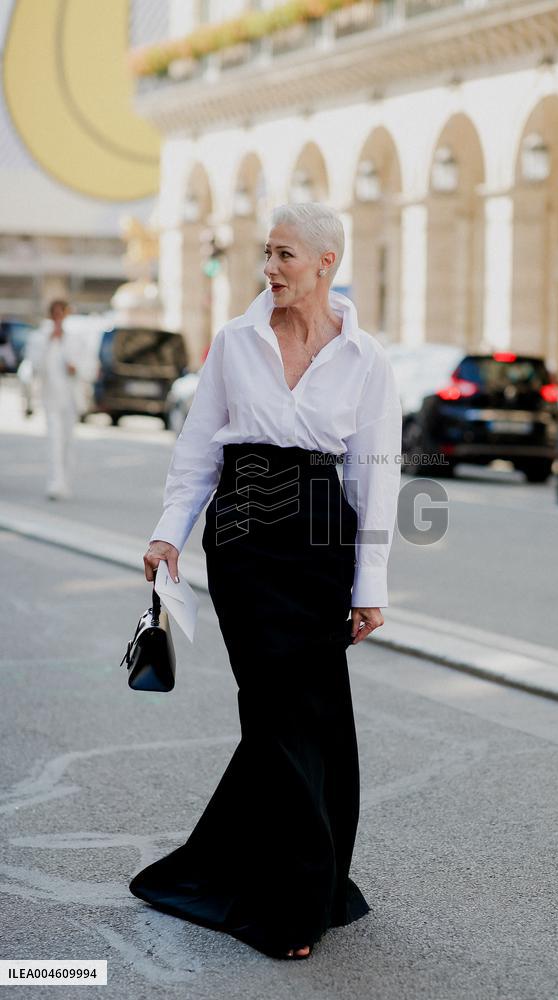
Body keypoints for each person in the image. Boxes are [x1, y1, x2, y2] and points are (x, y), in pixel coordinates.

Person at [130, 202, 403, 960]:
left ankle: (274, 870)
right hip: (245, 539)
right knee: (275, 709)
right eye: (267, 254)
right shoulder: (234, 342)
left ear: (326, 263)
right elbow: (197, 452)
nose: (271, 268)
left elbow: (375, 476)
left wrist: (368, 582)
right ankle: (293, 899)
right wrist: (168, 532)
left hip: (321, 543)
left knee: (311, 712)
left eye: (285, 254)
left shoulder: (367, 358)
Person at [28, 300, 78, 499]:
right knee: (54, 440)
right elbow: (34, 366)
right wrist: (50, 342)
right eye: (55, 313)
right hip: (50, 398)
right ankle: (55, 482)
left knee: (67, 442)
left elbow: (85, 364)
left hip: (70, 398)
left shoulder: (74, 337)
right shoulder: (40, 338)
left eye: (62, 313)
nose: (58, 317)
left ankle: (65, 480)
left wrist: (76, 368)